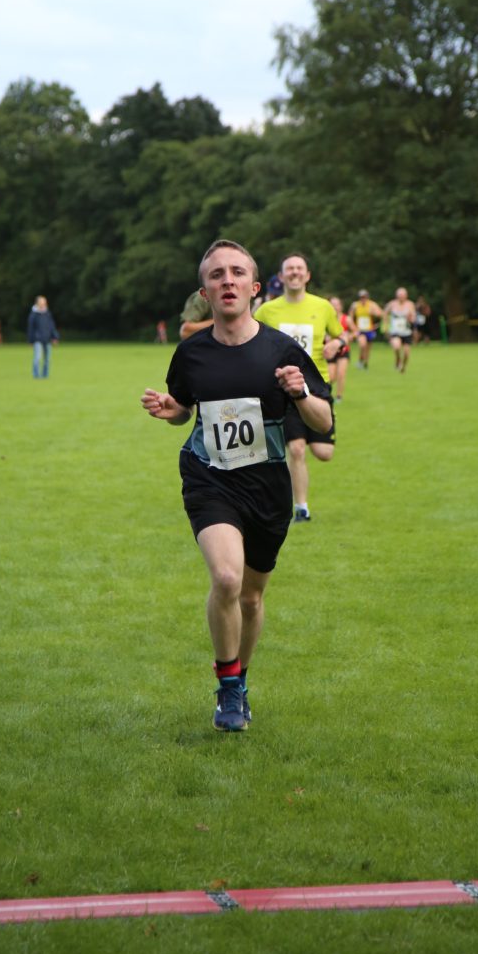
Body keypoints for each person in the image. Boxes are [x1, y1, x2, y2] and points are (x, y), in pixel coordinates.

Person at [141, 240, 332, 732]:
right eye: (216, 274)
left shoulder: (281, 350)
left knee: (250, 597)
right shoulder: (191, 354)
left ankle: (240, 678)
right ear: (204, 292)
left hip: (267, 486)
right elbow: (186, 406)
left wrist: (301, 392)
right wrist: (171, 410)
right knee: (226, 578)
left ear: (252, 286)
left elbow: (323, 418)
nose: (227, 280)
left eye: (236, 273)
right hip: (209, 478)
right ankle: (227, 689)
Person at [253, 253, 344, 523]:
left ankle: (321, 425)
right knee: (296, 449)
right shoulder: (268, 310)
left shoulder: (323, 306)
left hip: (317, 385)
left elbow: (341, 335)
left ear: (307, 275)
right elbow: (249, 334)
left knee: (324, 453)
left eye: (299, 268)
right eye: (289, 269)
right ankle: (301, 507)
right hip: (283, 386)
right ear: (281, 277)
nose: (294, 272)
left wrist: (336, 345)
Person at [384, 287, 417, 372]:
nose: (401, 297)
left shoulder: (410, 304)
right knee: (396, 347)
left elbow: (413, 318)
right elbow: (385, 313)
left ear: (406, 296)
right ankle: (398, 359)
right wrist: (386, 326)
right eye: (399, 295)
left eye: (403, 295)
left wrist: (410, 318)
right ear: (396, 296)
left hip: (406, 332)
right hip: (395, 331)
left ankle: (403, 367)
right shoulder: (392, 304)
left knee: (406, 353)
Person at [326, 296, 352, 403]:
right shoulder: (325, 319)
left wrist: (348, 337)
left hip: (343, 350)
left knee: (341, 373)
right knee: (331, 377)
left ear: (341, 306)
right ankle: (327, 394)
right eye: (332, 304)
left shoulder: (347, 319)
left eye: (337, 304)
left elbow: (355, 331)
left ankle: (339, 396)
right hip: (330, 351)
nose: (335, 307)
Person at [348, 289, 383, 369]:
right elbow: (350, 316)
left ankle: (365, 363)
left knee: (368, 348)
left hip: (369, 330)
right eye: (361, 297)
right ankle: (360, 360)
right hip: (360, 330)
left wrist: (373, 313)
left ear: (367, 297)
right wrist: (353, 327)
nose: (363, 299)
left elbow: (380, 314)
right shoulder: (355, 305)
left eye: (364, 297)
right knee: (362, 344)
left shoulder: (372, 305)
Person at [27, 295, 59, 378]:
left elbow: (52, 326)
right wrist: (30, 341)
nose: (43, 304)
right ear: (37, 303)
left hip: (47, 339)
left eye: (44, 302)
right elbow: (30, 328)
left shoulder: (47, 314)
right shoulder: (33, 315)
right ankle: (36, 375)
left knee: (47, 359)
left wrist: (55, 337)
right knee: (37, 358)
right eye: (42, 302)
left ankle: (45, 375)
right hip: (37, 339)